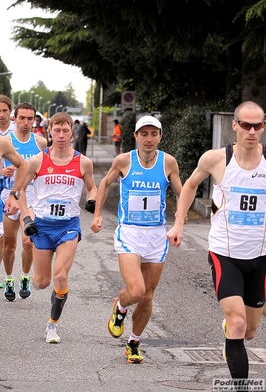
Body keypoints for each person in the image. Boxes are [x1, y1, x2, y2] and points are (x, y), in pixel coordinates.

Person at [167, 101, 266, 381]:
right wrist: (178, 222)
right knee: (237, 323)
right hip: (225, 254)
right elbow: (190, 185)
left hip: (260, 257)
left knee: (249, 331)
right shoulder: (216, 158)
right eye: (245, 125)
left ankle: (231, 333)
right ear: (234, 125)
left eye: (257, 125)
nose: (251, 131)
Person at [91, 115, 185, 363]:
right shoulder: (124, 160)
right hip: (129, 234)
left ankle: (133, 342)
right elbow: (105, 184)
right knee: (136, 290)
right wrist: (98, 214)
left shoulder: (168, 162)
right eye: (144, 134)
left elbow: (182, 192)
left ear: (160, 136)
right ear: (135, 136)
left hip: (156, 235)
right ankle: (120, 306)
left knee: (147, 296)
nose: (149, 139)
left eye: (154, 134)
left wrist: (179, 219)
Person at [18, 112, 97, 343]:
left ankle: (52, 325)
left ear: (72, 133)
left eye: (66, 131)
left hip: (68, 227)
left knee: (60, 276)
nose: (61, 135)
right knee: (42, 282)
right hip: (42, 226)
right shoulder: (37, 161)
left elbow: (92, 188)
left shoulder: (83, 162)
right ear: (49, 131)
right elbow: (20, 191)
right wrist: (26, 219)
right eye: (57, 130)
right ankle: (33, 275)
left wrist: (91, 200)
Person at [1, 102, 47, 302]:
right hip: (9, 195)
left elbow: (47, 168)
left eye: (30, 119)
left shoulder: (41, 143)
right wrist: (3, 171)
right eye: (22, 118)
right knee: (9, 245)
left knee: (28, 242)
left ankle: (25, 277)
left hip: (31, 197)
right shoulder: (5, 140)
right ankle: (9, 279)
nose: (26, 123)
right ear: (15, 119)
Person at [0, 95, 17, 288]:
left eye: (5, 110)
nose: (1, 115)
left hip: (10, 190)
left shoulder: (16, 132)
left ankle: (8, 276)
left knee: (4, 237)